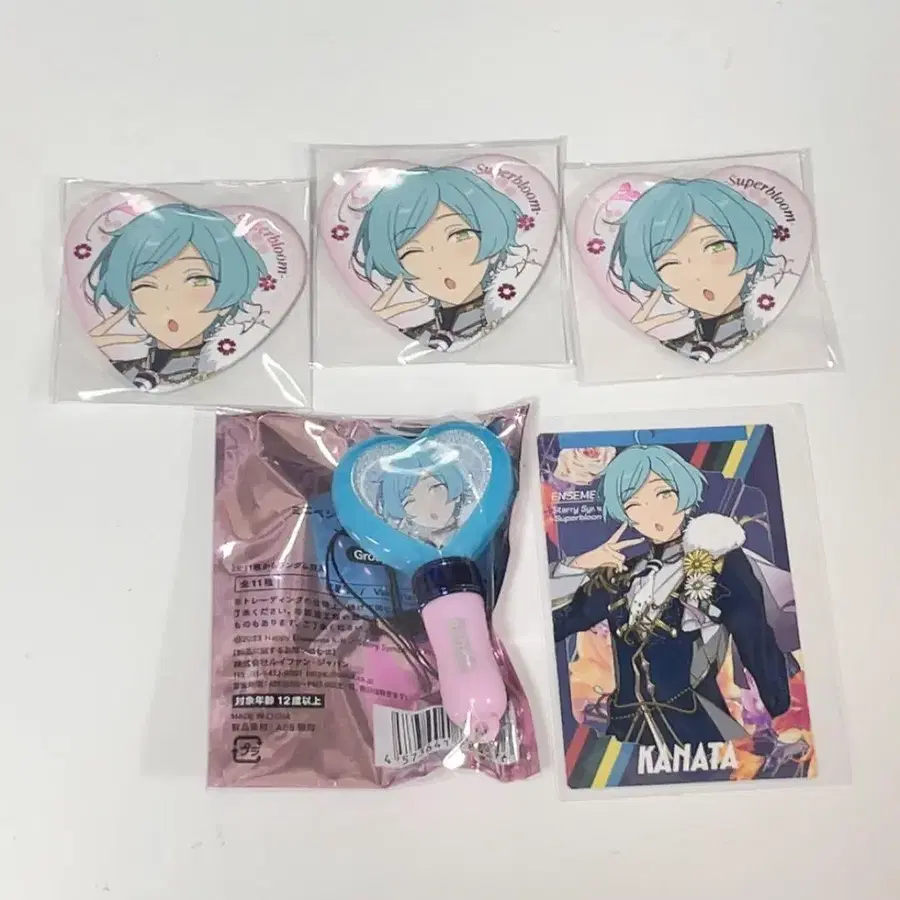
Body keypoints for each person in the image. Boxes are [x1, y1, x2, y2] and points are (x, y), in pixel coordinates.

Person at [551, 444, 790, 753]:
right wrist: (580, 564)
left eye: (663, 494)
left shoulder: (719, 561)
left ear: (685, 493)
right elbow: (557, 626)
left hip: (695, 728)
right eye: (634, 505)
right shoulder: (622, 573)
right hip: (627, 735)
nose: (653, 514)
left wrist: (780, 709)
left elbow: (754, 635)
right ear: (625, 516)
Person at [86, 203, 267, 389]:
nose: (169, 303)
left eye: (197, 280)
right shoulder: (123, 371)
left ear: (227, 296)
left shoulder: (231, 373)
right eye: (146, 285)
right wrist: (87, 355)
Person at [352, 166, 525, 350]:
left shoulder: (508, 319)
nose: (440, 264)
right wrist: (371, 323)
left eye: (460, 235)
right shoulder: (418, 335)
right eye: (412, 252)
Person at [608, 178, 776, 362]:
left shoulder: (771, 328)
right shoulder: (680, 346)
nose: (697, 274)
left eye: (716, 247)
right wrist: (631, 338)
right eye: (669, 263)